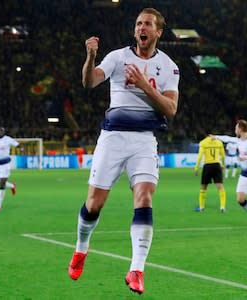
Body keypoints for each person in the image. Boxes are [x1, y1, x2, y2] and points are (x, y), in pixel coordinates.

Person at [68, 8, 179, 295]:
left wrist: (144, 85)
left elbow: (170, 109)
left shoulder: (169, 67)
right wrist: (91, 56)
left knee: (144, 197)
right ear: (135, 30)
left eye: (148, 24)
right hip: (113, 138)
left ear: (158, 32)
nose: (142, 28)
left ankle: (137, 270)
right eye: (139, 23)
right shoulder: (118, 57)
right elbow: (89, 81)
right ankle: (81, 249)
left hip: (144, 140)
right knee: (94, 204)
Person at [212, 120, 247, 232]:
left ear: (241, 129)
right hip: (244, 176)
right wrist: (216, 137)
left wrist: (246, 157)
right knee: (240, 199)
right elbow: (227, 138)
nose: (234, 130)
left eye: (236, 128)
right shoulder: (238, 141)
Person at [193, 135, 227, 212]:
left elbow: (200, 156)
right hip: (217, 165)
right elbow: (223, 156)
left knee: (203, 187)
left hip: (207, 166)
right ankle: (222, 207)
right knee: (220, 187)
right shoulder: (219, 142)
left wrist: (196, 168)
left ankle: (201, 207)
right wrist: (224, 166)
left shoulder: (203, 142)